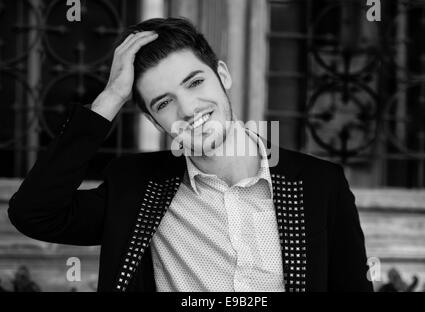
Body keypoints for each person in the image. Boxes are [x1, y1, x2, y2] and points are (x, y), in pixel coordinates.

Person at [8, 17, 372, 292]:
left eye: (195, 82)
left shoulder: (319, 183)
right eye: (164, 102)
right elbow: (35, 214)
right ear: (152, 119)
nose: (188, 108)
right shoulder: (136, 187)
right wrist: (109, 100)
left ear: (223, 75)